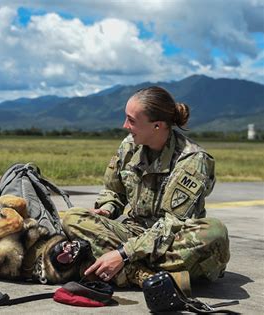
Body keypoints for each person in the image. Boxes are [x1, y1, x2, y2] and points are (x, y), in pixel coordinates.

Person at [62, 86, 230, 289]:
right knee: (73, 217)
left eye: (131, 120)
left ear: (157, 126)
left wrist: (123, 253)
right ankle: (143, 276)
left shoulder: (192, 160)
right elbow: (114, 191)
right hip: (134, 232)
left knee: (213, 232)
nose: (125, 126)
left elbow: (172, 224)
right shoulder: (129, 146)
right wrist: (107, 209)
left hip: (172, 242)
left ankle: (111, 264)